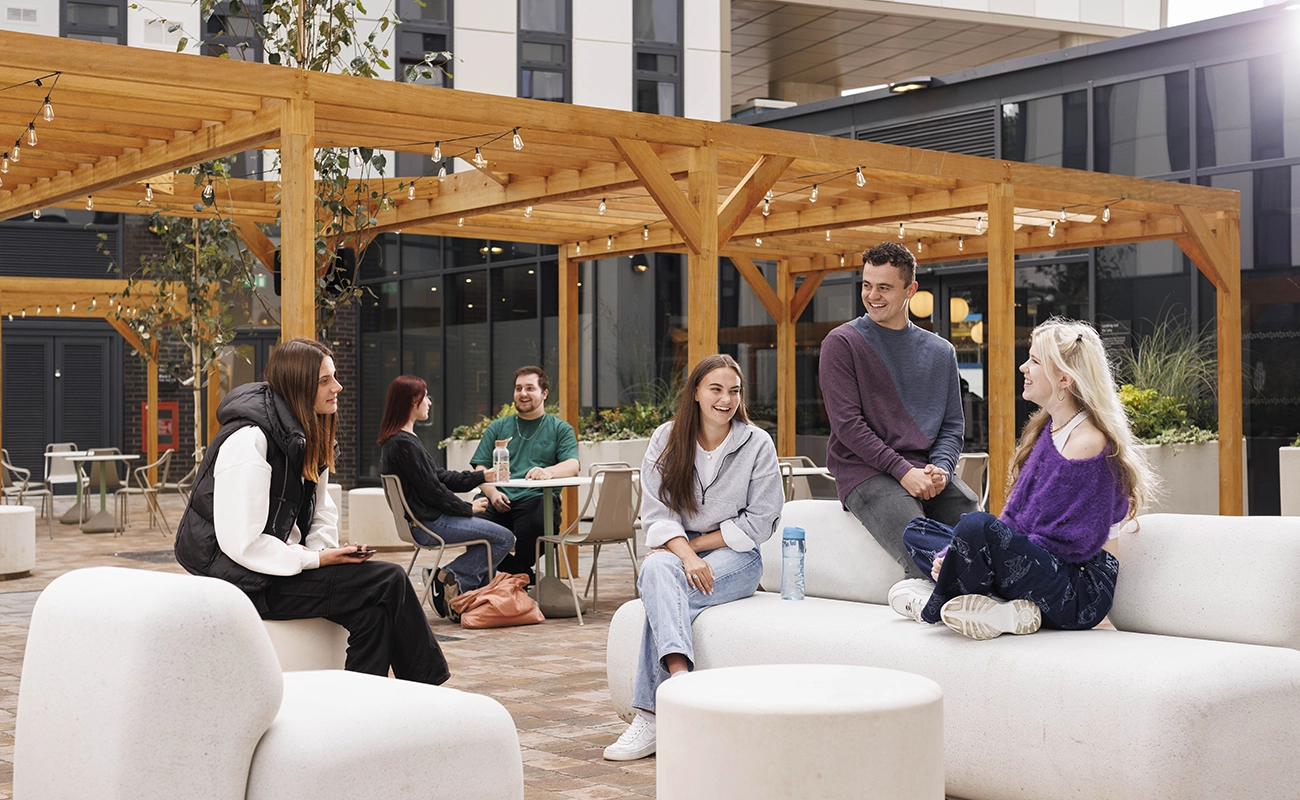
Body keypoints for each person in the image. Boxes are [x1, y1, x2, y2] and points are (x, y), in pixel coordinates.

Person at [175, 338, 449, 684]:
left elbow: (322, 511)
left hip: (281, 567)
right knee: (389, 578)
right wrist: (315, 561)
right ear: (298, 385)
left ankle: (360, 710)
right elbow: (240, 542)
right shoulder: (249, 440)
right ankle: (428, 691)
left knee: (374, 613)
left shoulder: (307, 434)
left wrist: (324, 553)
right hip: (241, 578)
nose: (338, 387)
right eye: (325, 380)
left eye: (333, 377)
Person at [888, 318, 1155, 640]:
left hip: (1079, 589)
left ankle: (936, 603)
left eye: (1035, 361)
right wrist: (960, 553)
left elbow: (1071, 544)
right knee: (918, 531)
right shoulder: (1050, 428)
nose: (1023, 367)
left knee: (976, 527)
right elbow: (1016, 519)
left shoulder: (1088, 442)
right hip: (1046, 564)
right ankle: (998, 605)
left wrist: (972, 554)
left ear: (1064, 379)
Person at [603, 354, 784, 762]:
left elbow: (762, 518)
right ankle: (681, 683)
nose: (726, 399)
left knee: (659, 578)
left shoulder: (756, 443)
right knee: (657, 570)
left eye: (734, 391)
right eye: (716, 389)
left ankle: (650, 716)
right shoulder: (666, 439)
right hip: (677, 553)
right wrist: (684, 554)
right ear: (697, 393)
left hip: (737, 557)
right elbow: (656, 514)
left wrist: (693, 551)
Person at [819, 240, 978, 580]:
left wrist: (942, 470)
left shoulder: (940, 351)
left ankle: (987, 611)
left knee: (976, 532)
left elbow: (951, 426)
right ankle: (927, 614)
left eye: (884, 287)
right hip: (866, 471)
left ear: (910, 289)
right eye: (866, 285)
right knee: (924, 549)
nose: (872, 295)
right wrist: (903, 471)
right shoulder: (842, 343)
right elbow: (848, 425)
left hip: (925, 472)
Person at [377, 375, 515, 619]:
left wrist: (481, 477)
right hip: (428, 523)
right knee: (504, 537)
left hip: (422, 521)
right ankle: (448, 577)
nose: (429, 402)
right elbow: (433, 490)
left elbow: (438, 477)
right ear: (412, 401)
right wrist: (467, 509)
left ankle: (457, 592)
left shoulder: (401, 440)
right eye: (425, 397)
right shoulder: (403, 443)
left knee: (492, 537)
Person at [470, 366, 580, 582]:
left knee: (536, 526)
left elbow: (572, 464)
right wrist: (492, 493)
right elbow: (480, 467)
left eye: (530, 388)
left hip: (537, 499)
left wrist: (548, 472)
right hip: (497, 497)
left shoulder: (560, 429)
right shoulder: (498, 427)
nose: (523, 393)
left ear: (544, 393)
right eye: (518, 388)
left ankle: (514, 574)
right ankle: (521, 575)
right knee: (472, 524)